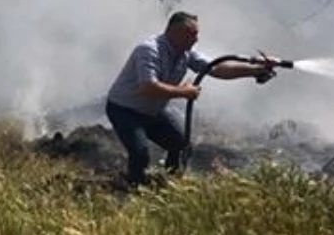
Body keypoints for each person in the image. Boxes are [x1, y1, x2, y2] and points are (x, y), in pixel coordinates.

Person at [105, 11, 277, 188]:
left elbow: (217, 68)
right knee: (140, 153)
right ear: (173, 32)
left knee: (180, 143)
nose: (195, 40)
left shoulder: (186, 53)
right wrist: (184, 92)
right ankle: (134, 189)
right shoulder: (148, 50)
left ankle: (170, 183)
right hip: (125, 110)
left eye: (196, 34)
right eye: (191, 34)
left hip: (153, 111)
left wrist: (256, 69)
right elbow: (148, 87)